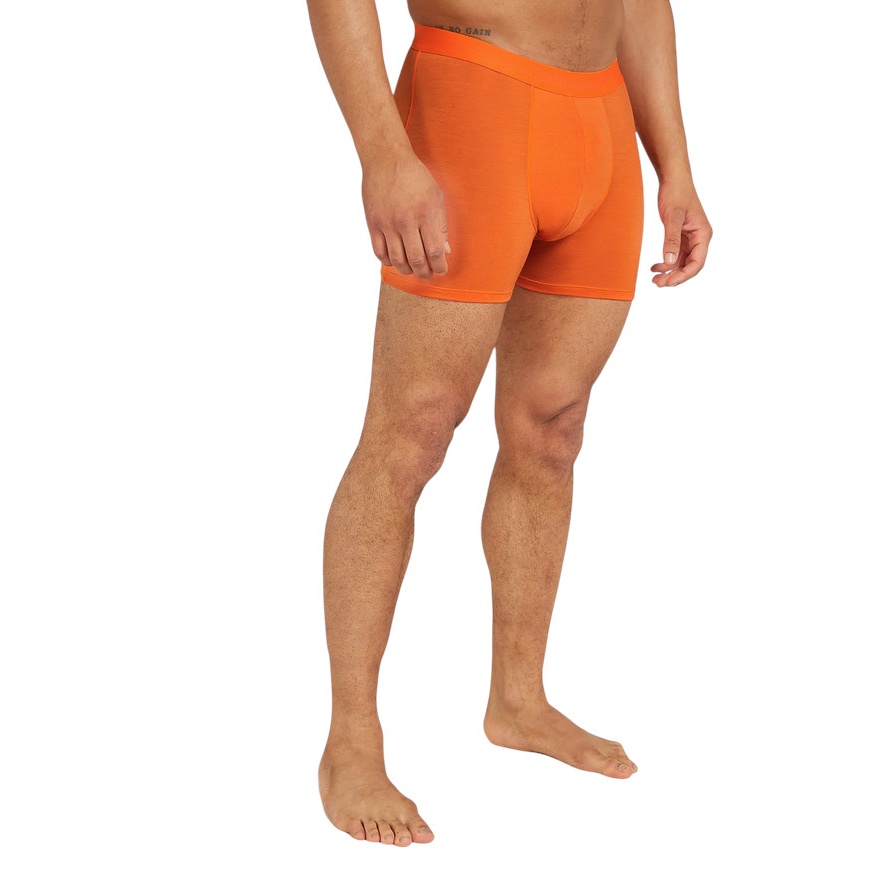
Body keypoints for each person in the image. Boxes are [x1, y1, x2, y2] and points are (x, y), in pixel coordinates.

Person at [306, 0, 712, 847]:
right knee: (412, 429)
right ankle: (351, 738)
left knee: (551, 427)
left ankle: (518, 700)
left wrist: (673, 162)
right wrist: (382, 153)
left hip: (599, 115)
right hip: (472, 98)